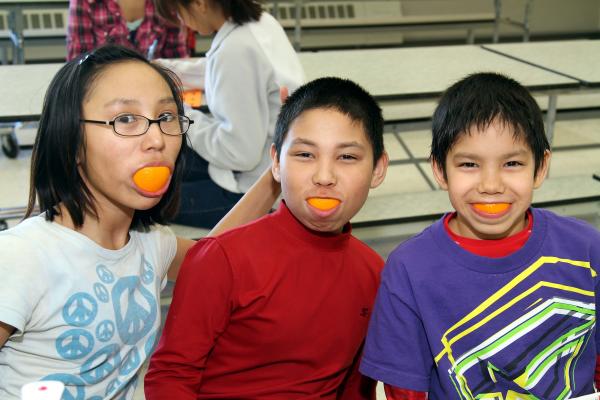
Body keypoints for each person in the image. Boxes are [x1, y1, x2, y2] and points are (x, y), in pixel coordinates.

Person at [0, 44, 278, 399]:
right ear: (71, 140)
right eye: (126, 119)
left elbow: (215, 258)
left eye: (166, 118)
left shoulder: (152, 244)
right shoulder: (19, 258)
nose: (157, 139)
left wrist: (277, 176)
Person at [144, 77, 389, 399]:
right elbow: (171, 375)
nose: (324, 177)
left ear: (378, 169)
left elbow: (356, 389)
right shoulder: (223, 258)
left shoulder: (374, 272)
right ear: (275, 162)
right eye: (304, 155)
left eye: (346, 158)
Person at [359, 72, 600, 399]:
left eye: (512, 163)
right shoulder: (409, 270)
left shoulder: (587, 249)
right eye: (469, 164)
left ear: (540, 168)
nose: (490, 184)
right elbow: (404, 391)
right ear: (440, 170)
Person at [154, 0, 305, 228]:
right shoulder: (259, 23)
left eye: (178, 12)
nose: (182, 22)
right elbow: (219, 71)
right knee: (167, 161)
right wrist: (161, 70)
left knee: (151, 197)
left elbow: (239, 154)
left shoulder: (235, 49)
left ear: (200, 3)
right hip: (274, 168)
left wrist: (179, 116)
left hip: (252, 191)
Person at [66, 0, 190, 61]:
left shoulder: (166, 3)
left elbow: (177, 60)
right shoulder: (85, 2)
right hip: (103, 90)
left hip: (153, 87)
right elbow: (78, 66)